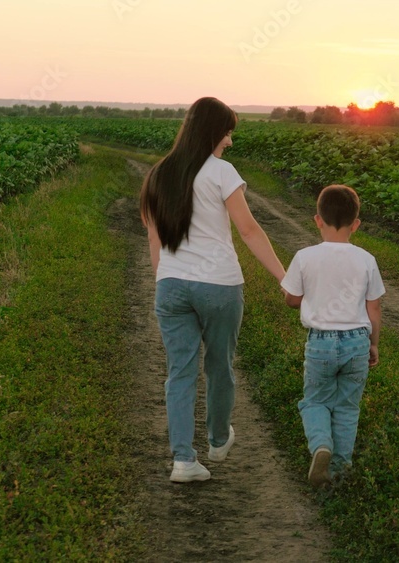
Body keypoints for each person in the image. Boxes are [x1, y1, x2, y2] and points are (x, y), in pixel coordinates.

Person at [140, 97, 286, 483]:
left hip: (171, 286)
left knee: (180, 373)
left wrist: (164, 280)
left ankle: (183, 461)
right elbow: (249, 230)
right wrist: (283, 277)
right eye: (227, 132)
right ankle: (219, 439)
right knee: (219, 365)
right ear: (213, 132)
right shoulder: (221, 172)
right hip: (219, 285)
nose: (230, 141)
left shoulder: (158, 174)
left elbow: (154, 238)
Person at [281, 184, 384, 488]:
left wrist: (305, 296)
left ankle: (321, 445)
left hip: (321, 343)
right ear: (356, 224)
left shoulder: (304, 256)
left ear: (317, 220)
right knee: (347, 407)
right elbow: (374, 306)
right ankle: (339, 469)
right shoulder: (366, 259)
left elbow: (291, 298)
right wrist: (374, 343)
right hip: (356, 341)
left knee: (314, 401)